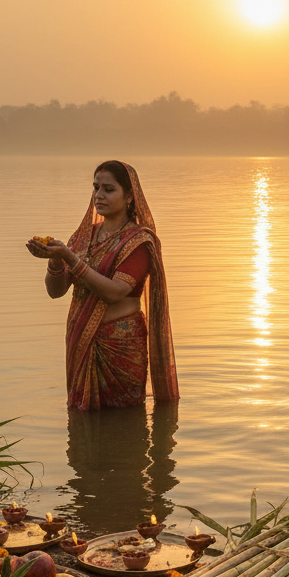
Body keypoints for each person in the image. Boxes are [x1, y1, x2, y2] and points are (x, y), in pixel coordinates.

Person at [27, 160, 178, 410]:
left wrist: (70, 258)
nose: (99, 195)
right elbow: (56, 292)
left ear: (129, 197)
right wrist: (55, 260)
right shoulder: (84, 236)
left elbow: (115, 292)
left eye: (108, 189)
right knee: (81, 424)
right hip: (80, 342)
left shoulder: (139, 242)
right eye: (96, 188)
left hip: (120, 347)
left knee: (124, 422)